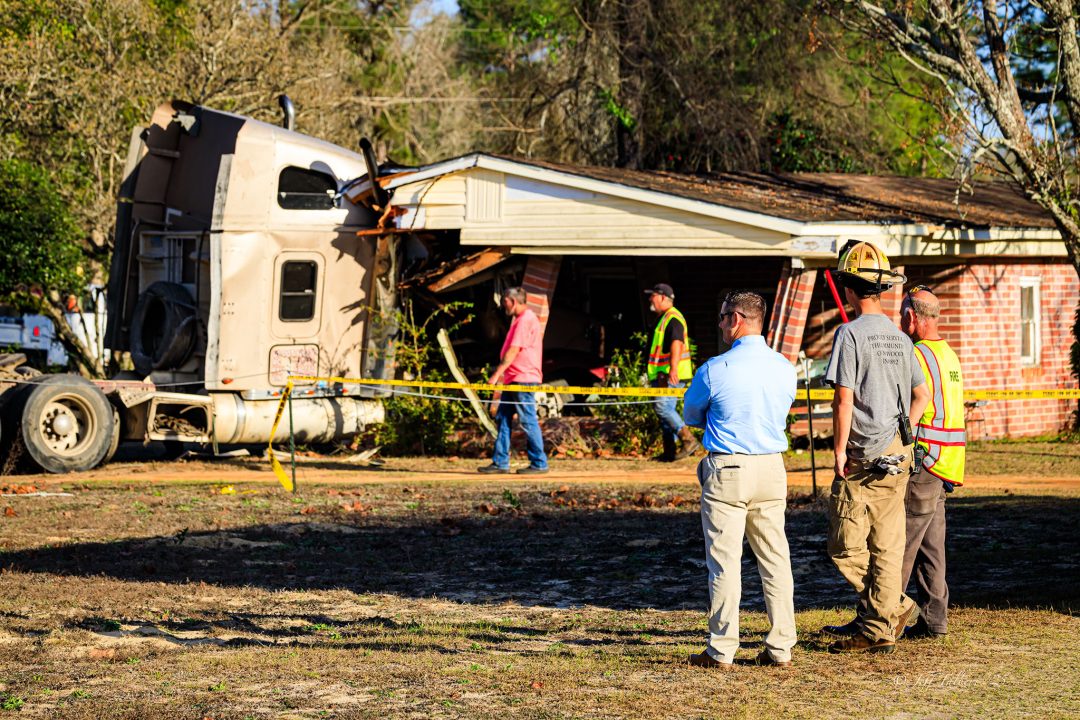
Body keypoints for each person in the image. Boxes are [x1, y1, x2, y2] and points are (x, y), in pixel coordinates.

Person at [822, 240, 930, 654]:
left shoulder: (849, 334)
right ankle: (882, 617)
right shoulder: (901, 339)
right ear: (882, 288)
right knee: (887, 544)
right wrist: (903, 432)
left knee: (844, 547)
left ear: (848, 288)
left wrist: (838, 451)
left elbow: (843, 399)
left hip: (862, 457)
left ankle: (887, 613)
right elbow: (922, 397)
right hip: (899, 451)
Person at [683, 291, 798, 669]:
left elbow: (691, 415)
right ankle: (781, 646)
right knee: (775, 558)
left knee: (725, 561)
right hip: (770, 466)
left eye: (721, 317)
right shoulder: (784, 367)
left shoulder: (715, 368)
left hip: (728, 468)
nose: (719, 324)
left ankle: (722, 647)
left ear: (736, 319)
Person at [898, 285, 965, 639]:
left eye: (901, 316)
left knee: (900, 543)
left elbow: (912, 404)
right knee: (931, 545)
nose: (899, 322)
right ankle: (934, 620)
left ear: (912, 316)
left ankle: (881, 621)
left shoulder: (918, 355)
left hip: (924, 462)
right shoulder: (948, 354)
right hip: (945, 464)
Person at [477, 287, 549, 475]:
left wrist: (496, 375)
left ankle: (539, 463)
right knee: (503, 418)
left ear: (512, 300)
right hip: (514, 378)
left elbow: (513, 351)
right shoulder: (519, 320)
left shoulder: (525, 320)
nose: (503, 306)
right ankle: (500, 461)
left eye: (504, 302)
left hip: (523, 378)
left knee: (527, 420)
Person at [644, 283, 701, 461]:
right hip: (663, 374)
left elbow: (677, 343)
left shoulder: (673, 318)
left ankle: (688, 439)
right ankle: (669, 452)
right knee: (665, 410)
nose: (650, 299)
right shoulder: (664, 318)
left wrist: (673, 369)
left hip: (671, 374)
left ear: (662, 297)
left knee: (662, 408)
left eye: (652, 295)